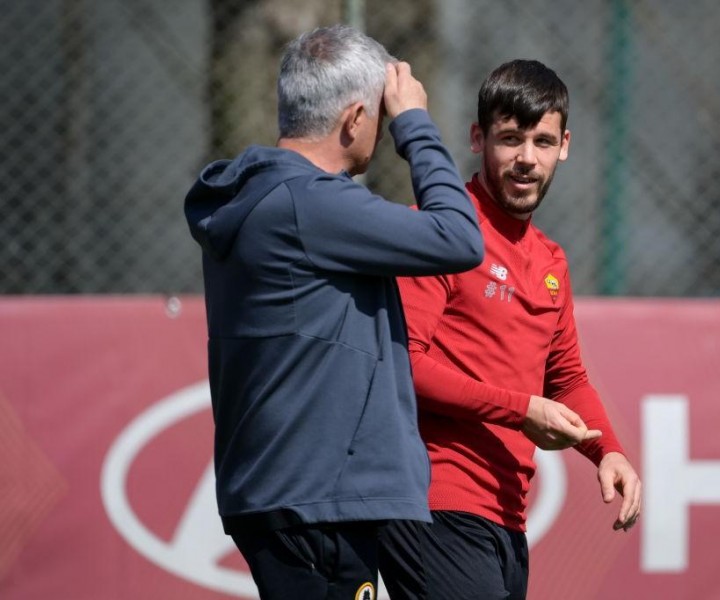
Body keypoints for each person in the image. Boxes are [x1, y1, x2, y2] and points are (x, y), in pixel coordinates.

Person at [183, 24, 484, 600]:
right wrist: (416, 125)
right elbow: (459, 238)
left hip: (291, 494)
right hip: (318, 501)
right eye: (380, 113)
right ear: (354, 120)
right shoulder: (310, 205)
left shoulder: (261, 197)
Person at [378, 59, 642, 600]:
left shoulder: (550, 260)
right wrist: (521, 410)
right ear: (479, 138)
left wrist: (608, 451)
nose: (527, 159)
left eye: (542, 142)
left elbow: (566, 379)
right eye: (510, 139)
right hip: (433, 503)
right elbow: (402, 365)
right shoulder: (441, 231)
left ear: (564, 146)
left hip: (506, 518)